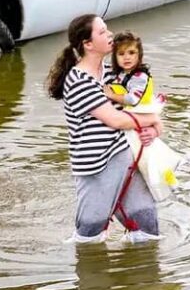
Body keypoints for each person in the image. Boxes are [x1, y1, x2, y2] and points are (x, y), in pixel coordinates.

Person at [47, 14, 163, 243]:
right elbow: (115, 120)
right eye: (102, 32)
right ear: (88, 44)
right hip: (96, 167)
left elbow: (145, 106)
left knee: (148, 228)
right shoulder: (78, 81)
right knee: (89, 237)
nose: (110, 34)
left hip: (125, 158)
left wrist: (156, 127)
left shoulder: (113, 74)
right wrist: (151, 119)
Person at [104, 31, 182, 201]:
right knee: (146, 154)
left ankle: (162, 185)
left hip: (139, 115)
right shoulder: (119, 75)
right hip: (134, 118)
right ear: (114, 57)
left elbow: (132, 99)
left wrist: (111, 95)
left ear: (139, 55)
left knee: (149, 157)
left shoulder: (140, 76)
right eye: (121, 53)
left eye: (131, 52)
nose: (127, 57)